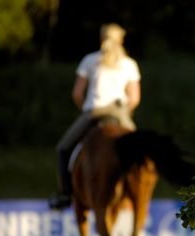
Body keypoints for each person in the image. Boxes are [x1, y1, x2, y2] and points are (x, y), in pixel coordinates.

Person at [49, 23, 141, 209]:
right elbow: (134, 98)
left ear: (101, 39)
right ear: (121, 40)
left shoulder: (89, 60)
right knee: (140, 152)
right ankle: (138, 191)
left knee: (63, 149)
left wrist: (86, 109)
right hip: (119, 112)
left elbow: (77, 94)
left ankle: (65, 193)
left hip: (94, 113)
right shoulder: (130, 64)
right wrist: (124, 113)